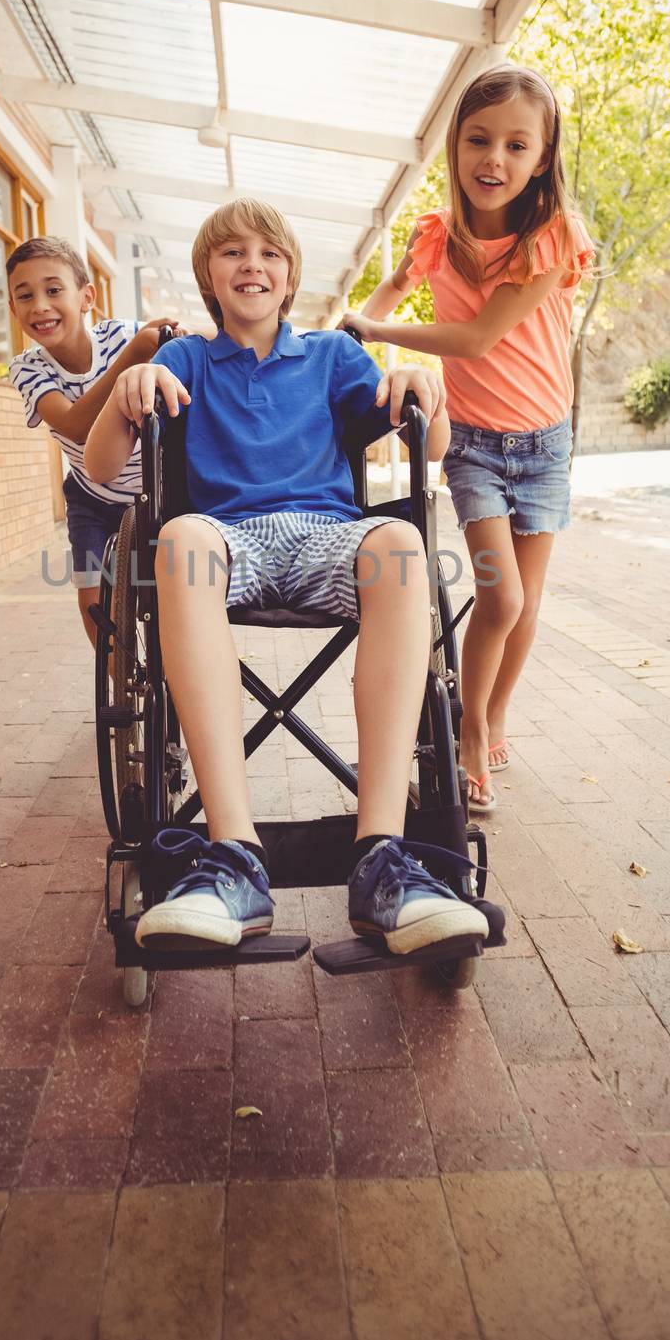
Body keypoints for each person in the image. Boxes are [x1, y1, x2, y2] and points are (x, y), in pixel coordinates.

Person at [84, 198, 490, 957]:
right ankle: (234, 855)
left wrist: (422, 389)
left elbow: (426, 442)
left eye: (268, 253)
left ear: (290, 272)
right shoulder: (183, 361)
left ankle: (381, 856)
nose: (251, 265)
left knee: (400, 543)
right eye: (232, 252)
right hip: (222, 538)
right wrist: (125, 388)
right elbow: (106, 469)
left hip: (325, 534)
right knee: (177, 542)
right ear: (209, 274)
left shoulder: (333, 356)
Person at [345, 64, 595, 815]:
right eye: (478, 140)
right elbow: (383, 295)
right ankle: (467, 729)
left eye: (517, 146)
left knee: (524, 606)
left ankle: (492, 715)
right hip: (477, 447)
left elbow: (479, 337)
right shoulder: (435, 235)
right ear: (454, 147)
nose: (495, 159)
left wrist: (381, 329)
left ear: (542, 158)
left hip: (546, 446)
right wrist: (355, 329)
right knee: (500, 594)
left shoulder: (551, 237)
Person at [6, 235, 181, 645]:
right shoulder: (28, 368)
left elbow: (184, 344)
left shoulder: (122, 335)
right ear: (13, 309)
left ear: (86, 297)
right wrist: (134, 358)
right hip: (93, 496)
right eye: (25, 296)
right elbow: (74, 426)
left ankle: (178, 668)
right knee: (92, 595)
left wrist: (170, 335)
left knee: (175, 587)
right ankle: (120, 681)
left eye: (53, 290)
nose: (40, 306)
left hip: (159, 489)